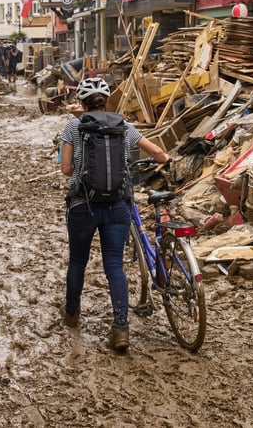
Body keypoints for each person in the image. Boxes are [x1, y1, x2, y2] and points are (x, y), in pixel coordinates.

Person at [59, 77, 169, 352]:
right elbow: (156, 152)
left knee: (78, 261)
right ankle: (120, 327)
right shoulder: (124, 126)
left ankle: (72, 313)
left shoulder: (73, 126)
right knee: (114, 265)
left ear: (83, 103)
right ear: (106, 101)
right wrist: (167, 159)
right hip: (118, 206)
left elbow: (65, 168)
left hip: (83, 205)